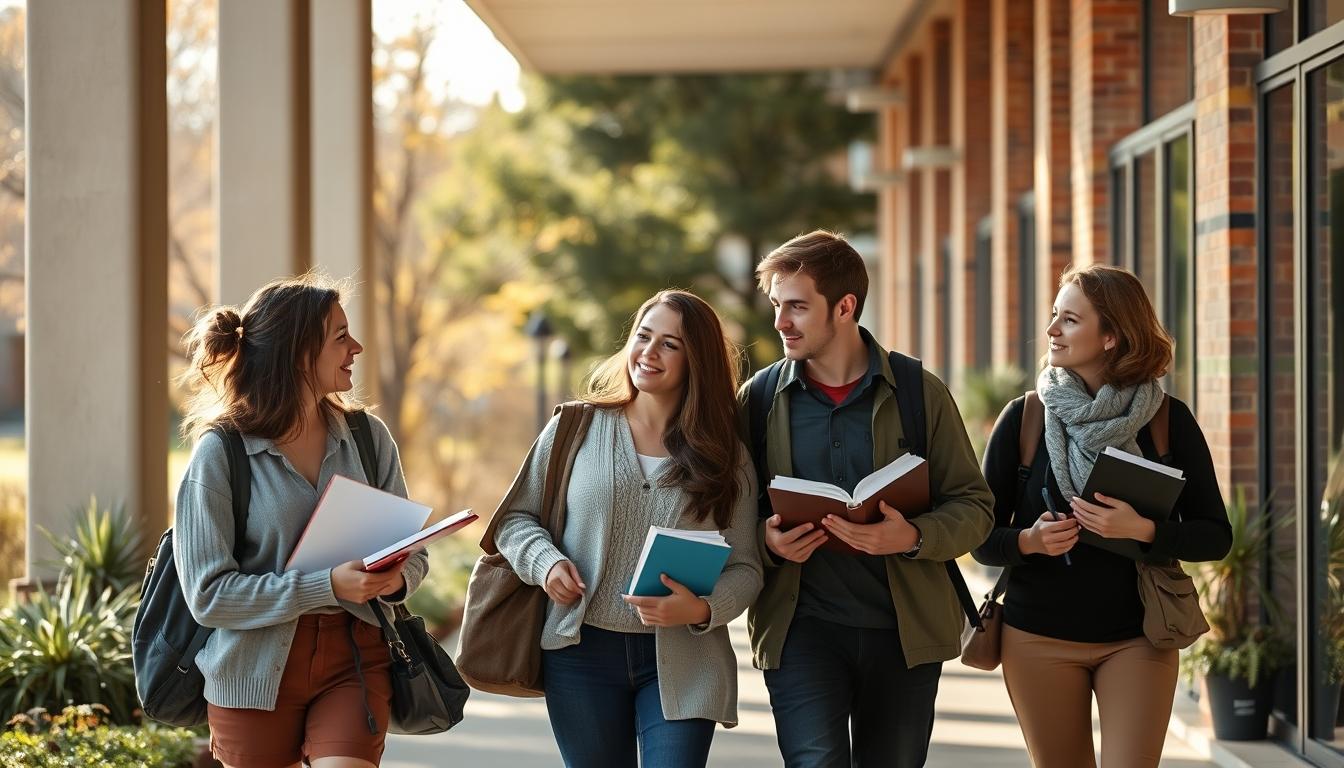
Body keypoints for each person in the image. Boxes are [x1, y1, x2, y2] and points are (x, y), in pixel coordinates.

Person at [741, 230, 994, 767]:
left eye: (797, 307)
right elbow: (726, 515)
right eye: (777, 306)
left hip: (904, 634)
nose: (780, 322)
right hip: (801, 630)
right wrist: (764, 541)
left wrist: (915, 535)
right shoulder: (759, 399)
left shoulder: (920, 392)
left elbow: (975, 505)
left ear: (845, 307)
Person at [972, 264, 1233, 768]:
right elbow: (979, 535)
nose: (1050, 331)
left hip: (1138, 637)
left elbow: (1215, 536)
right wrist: (1029, 541)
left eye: (1069, 320)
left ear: (1112, 335)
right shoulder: (1024, 418)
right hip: (1037, 638)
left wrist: (1145, 531)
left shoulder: (1166, 420)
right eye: (1054, 316)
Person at [490, 290, 763, 768]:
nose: (649, 352)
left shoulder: (727, 456)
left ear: (695, 361)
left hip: (683, 660)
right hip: (581, 654)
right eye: (643, 336)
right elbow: (514, 519)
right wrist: (545, 562)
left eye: (670, 344)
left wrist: (701, 608)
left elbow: (745, 567)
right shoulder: (577, 428)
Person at [174, 274, 423, 768]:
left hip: (354, 659)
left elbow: (413, 552)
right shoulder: (220, 453)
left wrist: (396, 579)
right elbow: (207, 595)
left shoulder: (368, 438)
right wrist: (326, 585)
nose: (357, 346)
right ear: (297, 352)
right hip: (251, 675)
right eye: (340, 337)